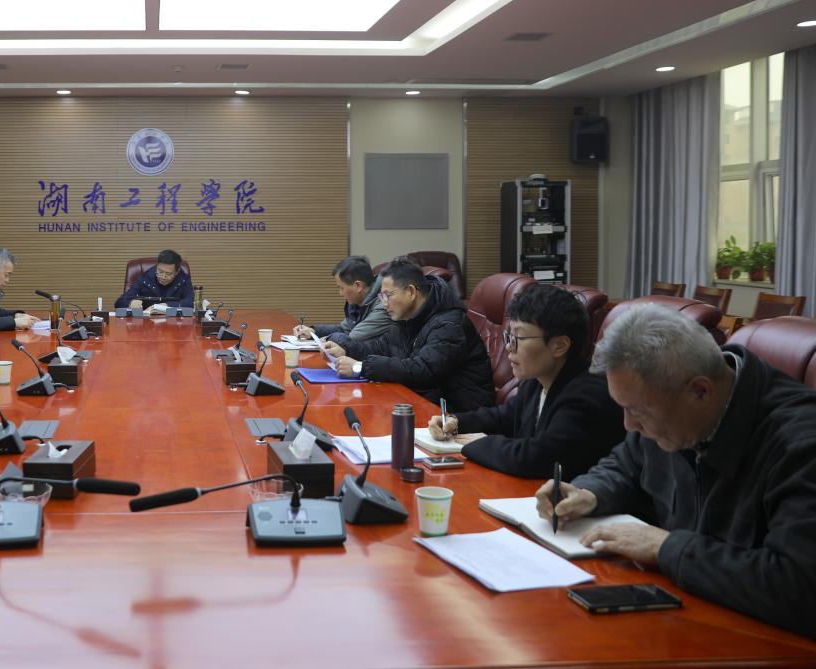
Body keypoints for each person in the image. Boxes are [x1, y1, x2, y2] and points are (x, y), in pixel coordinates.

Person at [534, 304, 816, 639]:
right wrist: (590, 492)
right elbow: (627, 463)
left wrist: (666, 547)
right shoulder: (671, 409)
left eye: (637, 411)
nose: (629, 425)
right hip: (682, 613)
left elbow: (799, 586)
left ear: (700, 391)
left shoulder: (800, 444)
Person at [428, 284, 623, 478]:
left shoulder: (588, 395)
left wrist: (478, 443)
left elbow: (538, 458)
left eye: (519, 338)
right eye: (509, 337)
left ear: (559, 345)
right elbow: (504, 417)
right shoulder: (538, 379)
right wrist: (456, 422)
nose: (509, 347)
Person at [325, 258, 493, 410]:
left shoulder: (449, 324)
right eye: (381, 297)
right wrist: (346, 349)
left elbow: (422, 370)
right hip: (423, 402)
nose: (384, 304)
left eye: (388, 296)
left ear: (411, 292)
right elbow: (381, 347)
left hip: (459, 415)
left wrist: (360, 367)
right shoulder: (407, 317)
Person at [291, 255, 390, 344]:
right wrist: (313, 331)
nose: (340, 294)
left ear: (358, 286)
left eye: (341, 288)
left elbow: (352, 338)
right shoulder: (359, 302)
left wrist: (327, 339)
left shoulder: (383, 305)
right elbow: (343, 329)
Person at [115, 249, 193, 309]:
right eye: (160, 271)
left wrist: (169, 305)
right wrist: (131, 302)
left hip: (174, 321)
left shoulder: (183, 279)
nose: (163, 276)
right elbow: (119, 302)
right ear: (157, 266)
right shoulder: (146, 278)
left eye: (168, 273)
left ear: (177, 272)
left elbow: (192, 302)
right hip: (147, 321)